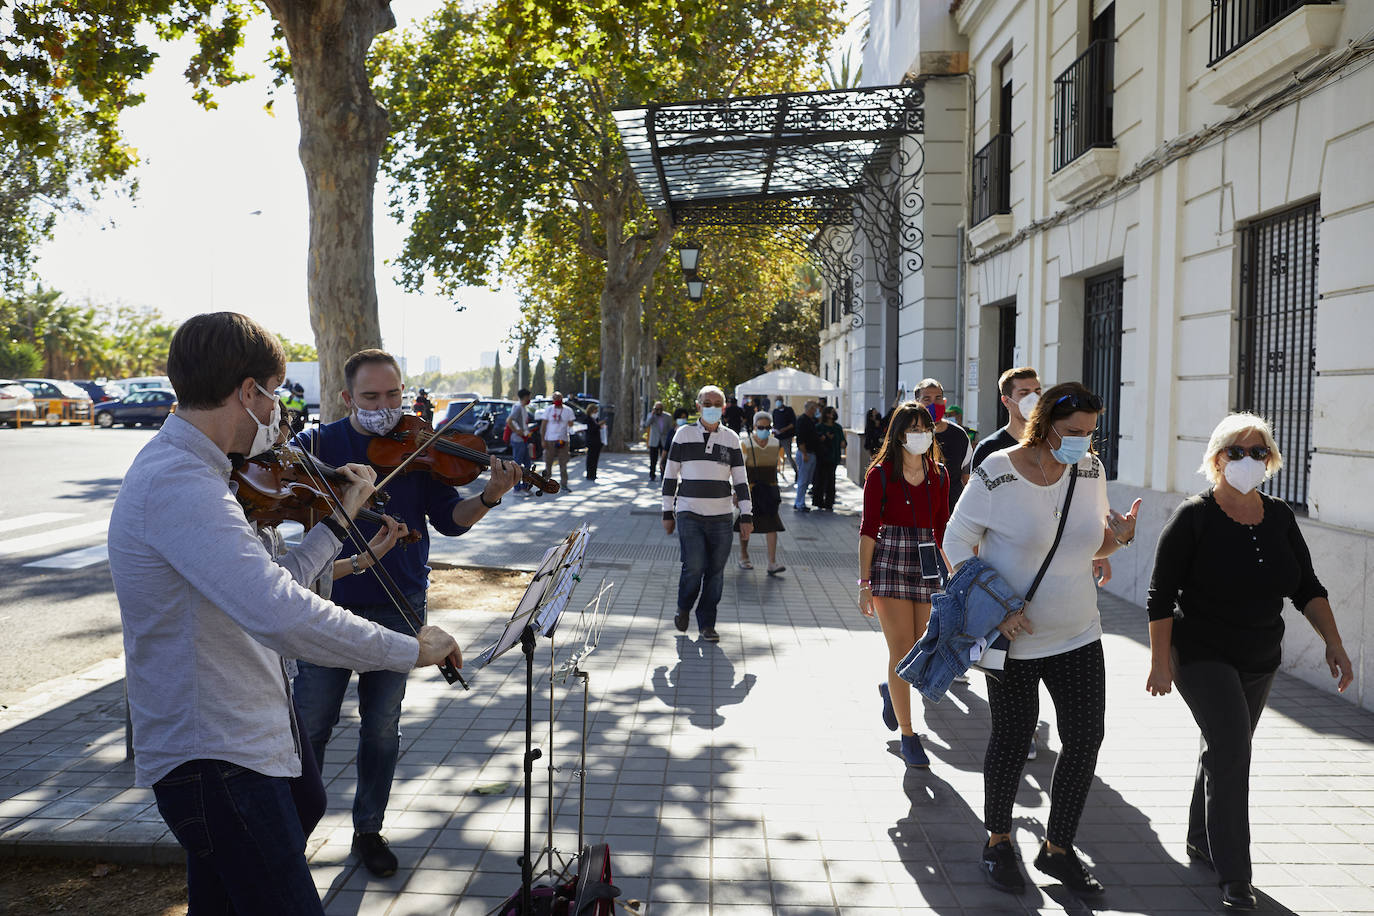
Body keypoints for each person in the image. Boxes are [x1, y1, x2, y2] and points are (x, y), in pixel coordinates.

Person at [107, 313, 463, 914]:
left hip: (238, 745)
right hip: (216, 757)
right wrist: (409, 649)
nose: (278, 413)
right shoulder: (181, 483)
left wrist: (336, 524)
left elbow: (275, 583)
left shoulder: (207, 475)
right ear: (249, 392)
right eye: (274, 395)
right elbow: (282, 614)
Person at [290, 348, 517, 878]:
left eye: (393, 394)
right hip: (325, 606)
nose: (385, 406)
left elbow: (452, 520)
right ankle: (293, 834)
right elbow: (288, 496)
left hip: (400, 603)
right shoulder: (318, 444)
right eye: (371, 397)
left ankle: (368, 830)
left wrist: (488, 495)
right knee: (312, 724)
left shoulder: (422, 447)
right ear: (346, 398)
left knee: (381, 728)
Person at [1144, 413, 1353, 912]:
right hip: (1200, 652)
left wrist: (1334, 642)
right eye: (1238, 451)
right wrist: (1159, 662)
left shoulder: (1279, 516)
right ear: (1217, 459)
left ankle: (1201, 836)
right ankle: (1235, 875)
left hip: (1260, 654)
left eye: (1259, 452)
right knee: (1234, 752)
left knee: (1224, 749)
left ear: (1271, 459)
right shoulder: (1193, 516)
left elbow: (1306, 586)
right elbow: (1160, 595)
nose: (1249, 460)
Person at [944, 381, 1142, 897]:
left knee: (1086, 738)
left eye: (1091, 433)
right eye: (1075, 432)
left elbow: (1090, 541)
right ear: (1047, 422)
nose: (1084, 441)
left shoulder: (1090, 469)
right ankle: (997, 841)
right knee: (1012, 739)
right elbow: (955, 541)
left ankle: (1058, 848)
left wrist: (1119, 537)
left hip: (1079, 631)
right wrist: (994, 608)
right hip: (1015, 639)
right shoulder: (997, 471)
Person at [858, 401, 950, 767]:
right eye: (913, 429)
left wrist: (954, 571)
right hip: (890, 560)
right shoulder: (880, 475)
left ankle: (889, 690)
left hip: (927, 560)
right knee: (901, 651)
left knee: (920, 650)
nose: (921, 435)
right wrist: (864, 582)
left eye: (925, 428)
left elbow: (943, 527)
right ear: (898, 435)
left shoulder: (939, 475)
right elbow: (867, 530)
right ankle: (909, 735)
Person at [662, 385, 752, 643]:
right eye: (706, 403)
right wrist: (667, 512)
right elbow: (670, 475)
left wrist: (746, 515)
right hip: (689, 512)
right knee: (694, 567)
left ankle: (707, 623)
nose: (711, 408)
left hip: (723, 516)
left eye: (716, 403)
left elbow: (741, 480)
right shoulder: (683, 434)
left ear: (723, 407)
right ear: (698, 405)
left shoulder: (731, 438)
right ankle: (683, 606)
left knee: (715, 572)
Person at [736, 410, 786, 574]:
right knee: (746, 524)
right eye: (760, 426)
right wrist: (736, 492)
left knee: (772, 524)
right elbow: (739, 469)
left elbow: (777, 467)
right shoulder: (745, 444)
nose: (764, 429)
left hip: (770, 490)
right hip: (751, 491)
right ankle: (744, 557)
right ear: (754, 427)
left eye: (767, 427)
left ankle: (772, 562)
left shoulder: (776, 443)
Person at [917, 379, 972, 512]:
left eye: (938, 398)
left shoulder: (959, 435)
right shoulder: (909, 435)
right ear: (917, 403)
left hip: (951, 512)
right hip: (918, 512)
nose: (933, 403)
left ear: (944, 402)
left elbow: (966, 478)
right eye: (927, 399)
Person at [540, 391, 576, 492]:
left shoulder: (568, 410)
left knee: (563, 464)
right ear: (552, 399)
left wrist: (569, 423)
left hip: (563, 440)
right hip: (550, 440)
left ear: (562, 399)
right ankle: (546, 484)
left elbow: (571, 424)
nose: (557, 400)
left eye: (559, 398)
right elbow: (543, 426)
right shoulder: (549, 410)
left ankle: (564, 484)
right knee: (548, 463)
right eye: (555, 398)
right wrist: (542, 440)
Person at [813, 405, 844, 511]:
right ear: (827, 414)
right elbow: (816, 441)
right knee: (820, 479)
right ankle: (818, 501)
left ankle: (829, 502)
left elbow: (843, 442)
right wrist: (824, 438)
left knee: (831, 481)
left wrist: (842, 443)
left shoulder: (838, 428)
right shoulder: (819, 427)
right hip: (822, 457)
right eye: (831, 412)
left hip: (833, 457)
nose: (833, 414)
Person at [793, 400, 820, 511]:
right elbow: (801, 439)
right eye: (815, 408)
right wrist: (804, 453)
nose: (816, 410)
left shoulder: (811, 420)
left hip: (811, 453)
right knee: (803, 480)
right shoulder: (802, 420)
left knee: (806, 480)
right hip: (806, 453)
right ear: (811, 409)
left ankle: (800, 502)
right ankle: (800, 503)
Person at [507, 388, 534, 496]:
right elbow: (509, 421)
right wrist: (517, 431)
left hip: (524, 439)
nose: (530, 399)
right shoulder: (518, 407)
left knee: (527, 463)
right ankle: (516, 489)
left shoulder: (522, 408)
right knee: (517, 465)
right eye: (529, 397)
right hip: (518, 440)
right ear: (525, 397)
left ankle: (525, 487)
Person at [643, 401, 674, 482]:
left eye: (660, 409)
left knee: (664, 459)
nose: (658, 411)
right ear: (654, 409)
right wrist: (652, 415)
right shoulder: (651, 415)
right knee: (653, 459)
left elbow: (670, 429)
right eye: (657, 409)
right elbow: (646, 424)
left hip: (664, 441)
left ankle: (663, 475)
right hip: (654, 441)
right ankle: (652, 475)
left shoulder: (668, 416)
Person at [772, 396, 797, 476]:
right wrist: (774, 430)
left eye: (779, 401)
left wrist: (784, 429)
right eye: (776, 401)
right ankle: (773, 473)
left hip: (786, 437)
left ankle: (797, 472)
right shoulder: (775, 411)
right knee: (774, 456)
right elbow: (774, 424)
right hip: (777, 437)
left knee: (789, 456)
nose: (778, 402)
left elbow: (793, 423)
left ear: (782, 401)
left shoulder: (789, 410)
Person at [584, 401, 604, 481]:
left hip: (597, 442)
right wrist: (599, 425)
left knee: (595, 458)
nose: (597, 412)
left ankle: (594, 474)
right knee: (590, 459)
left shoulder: (595, 419)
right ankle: (589, 474)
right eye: (595, 411)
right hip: (591, 442)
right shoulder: (587, 419)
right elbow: (590, 430)